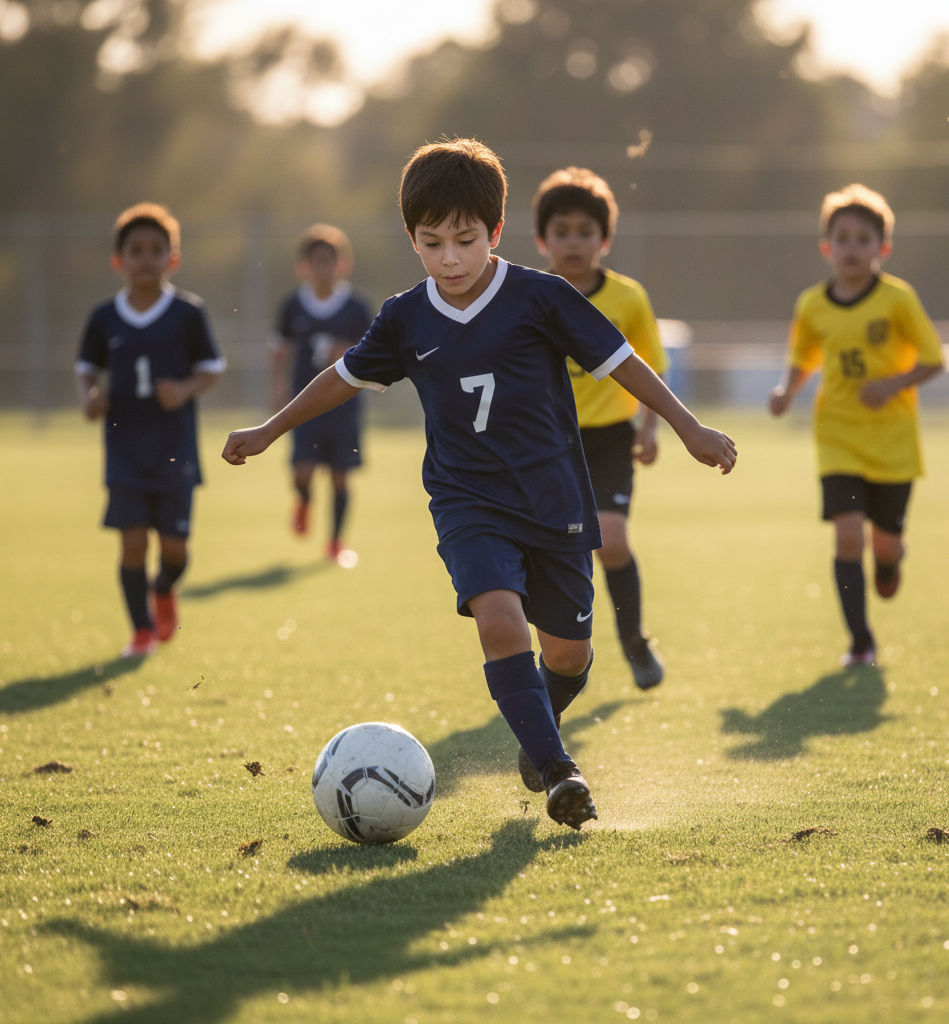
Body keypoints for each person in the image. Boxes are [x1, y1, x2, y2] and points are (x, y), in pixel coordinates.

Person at [222, 139, 736, 830]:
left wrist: (688, 427)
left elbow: (621, 360)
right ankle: (559, 771)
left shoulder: (540, 296)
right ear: (413, 241)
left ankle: (540, 730)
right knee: (499, 623)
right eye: (432, 243)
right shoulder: (406, 317)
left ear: (494, 232)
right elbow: (341, 377)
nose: (450, 259)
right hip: (468, 500)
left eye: (465, 240)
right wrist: (270, 429)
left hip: (553, 498)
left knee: (570, 655)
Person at [768, 184, 943, 666]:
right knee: (848, 537)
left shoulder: (898, 300)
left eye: (863, 239)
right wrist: (787, 391)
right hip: (838, 437)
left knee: (884, 543)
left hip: (893, 442)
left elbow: (934, 359)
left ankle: (890, 559)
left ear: (882, 249)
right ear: (827, 247)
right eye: (842, 238)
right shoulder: (812, 305)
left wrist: (893, 385)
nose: (851, 247)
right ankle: (860, 642)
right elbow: (801, 358)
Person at [533, 166, 668, 691]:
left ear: (604, 240)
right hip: (546, 441)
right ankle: (560, 664)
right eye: (562, 231)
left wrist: (651, 428)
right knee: (553, 551)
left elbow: (650, 368)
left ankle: (633, 641)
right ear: (543, 238)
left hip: (610, 436)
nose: (573, 242)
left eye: (585, 232)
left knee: (610, 542)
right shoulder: (531, 295)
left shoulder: (628, 298)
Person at [76, 202, 224, 657]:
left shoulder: (187, 313)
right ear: (118, 260)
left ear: (172, 258)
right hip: (124, 450)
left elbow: (212, 368)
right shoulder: (104, 316)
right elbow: (87, 368)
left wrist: (183, 389)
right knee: (134, 542)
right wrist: (91, 397)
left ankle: (164, 590)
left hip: (174, 450)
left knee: (175, 550)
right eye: (135, 250)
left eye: (156, 250)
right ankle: (141, 632)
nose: (145, 258)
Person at [270, 225, 373, 564]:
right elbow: (280, 348)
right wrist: (279, 385)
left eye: (329, 261)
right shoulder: (293, 305)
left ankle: (335, 543)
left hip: (345, 405)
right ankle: (304, 500)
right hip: (305, 405)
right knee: (302, 471)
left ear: (342, 264)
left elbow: (373, 353)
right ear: (304, 266)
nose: (323, 268)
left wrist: (347, 351)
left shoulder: (357, 307)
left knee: (341, 476)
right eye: (316, 261)